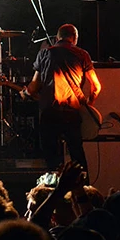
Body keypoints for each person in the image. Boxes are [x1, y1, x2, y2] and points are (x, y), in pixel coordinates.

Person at [23, 24, 101, 173]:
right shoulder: (82, 54)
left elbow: (33, 87)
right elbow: (96, 86)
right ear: (75, 38)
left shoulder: (44, 54)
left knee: (52, 159)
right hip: (72, 112)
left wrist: (25, 93)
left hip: (49, 113)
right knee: (77, 156)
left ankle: (54, 189)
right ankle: (84, 190)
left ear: (57, 38)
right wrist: (88, 105)